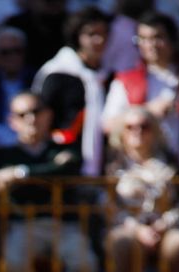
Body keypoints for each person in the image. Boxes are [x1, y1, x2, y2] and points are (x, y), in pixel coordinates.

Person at [0, 91, 97, 272]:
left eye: (36, 112)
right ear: (12, 121)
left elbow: (66, 172)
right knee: (12, 262)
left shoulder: (66, 149)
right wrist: (48, 174)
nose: (31, 119)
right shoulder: (4, 156)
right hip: (25, 224)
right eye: (22, 114)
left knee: (86, 264)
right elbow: (50, 176)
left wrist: (21, 174)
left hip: (64, 225)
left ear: (48, 115)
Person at [102, 12, 179, 170]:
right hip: (140, 167)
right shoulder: (126, 79)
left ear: (173, 40)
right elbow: (108, 125)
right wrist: (147, 111)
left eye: (158, 37)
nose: (151, 44)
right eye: (144, 39)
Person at [105, 105, 179, 272]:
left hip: (164, 226)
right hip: (127, 226)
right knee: (126, 244)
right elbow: (107, 204)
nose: (137, 132)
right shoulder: (112, 165)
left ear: (154, 131)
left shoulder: (170, 162)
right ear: (121, 132)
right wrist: (136, 228)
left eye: (144, 127)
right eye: (130, 127)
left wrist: (162, 225)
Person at [33, 7, 110, 176]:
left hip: (100, 166)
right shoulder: (57, 74)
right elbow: (42, 120)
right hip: (63, 163)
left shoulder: (106, 76)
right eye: (91, 34)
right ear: (77, 36)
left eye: (103, 33)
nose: (99, 40)